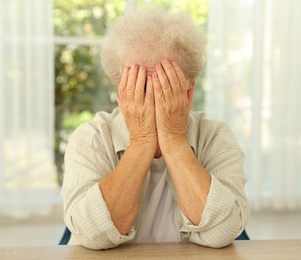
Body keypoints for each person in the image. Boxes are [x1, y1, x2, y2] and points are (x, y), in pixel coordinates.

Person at [61, 5, 250, 250]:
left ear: (188, 91)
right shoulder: (90, 138)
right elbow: (92, 236)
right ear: (121, 92)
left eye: (164, 86)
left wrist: (174, 141)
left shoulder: (216, 137)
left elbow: (223, 232)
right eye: (139, 87)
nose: (151, 98)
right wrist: (141, 143)